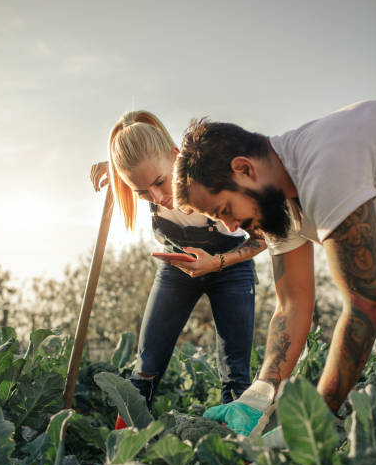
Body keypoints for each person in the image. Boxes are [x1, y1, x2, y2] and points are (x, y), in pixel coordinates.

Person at [173, 99, 376, 436]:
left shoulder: (324, 165)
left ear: (244, 169)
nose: (233, 227)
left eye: (225, 210)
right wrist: (260, 394)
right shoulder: (279, 202)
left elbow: (366, 303)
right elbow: (291, 304)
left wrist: (311, 425)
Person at [91, 110, 267, 417]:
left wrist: (217, 262)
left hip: (230, 268)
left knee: (235, 369)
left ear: (176, 156)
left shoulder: (215, 175)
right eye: (142, 192)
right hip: (177, 270)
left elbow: (263, 238)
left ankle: (237, 448)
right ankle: (126, 446)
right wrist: (116, 168)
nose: (157, 196)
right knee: (146, 366)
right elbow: (141, 174)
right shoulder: (147, 181)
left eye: (160, 181)